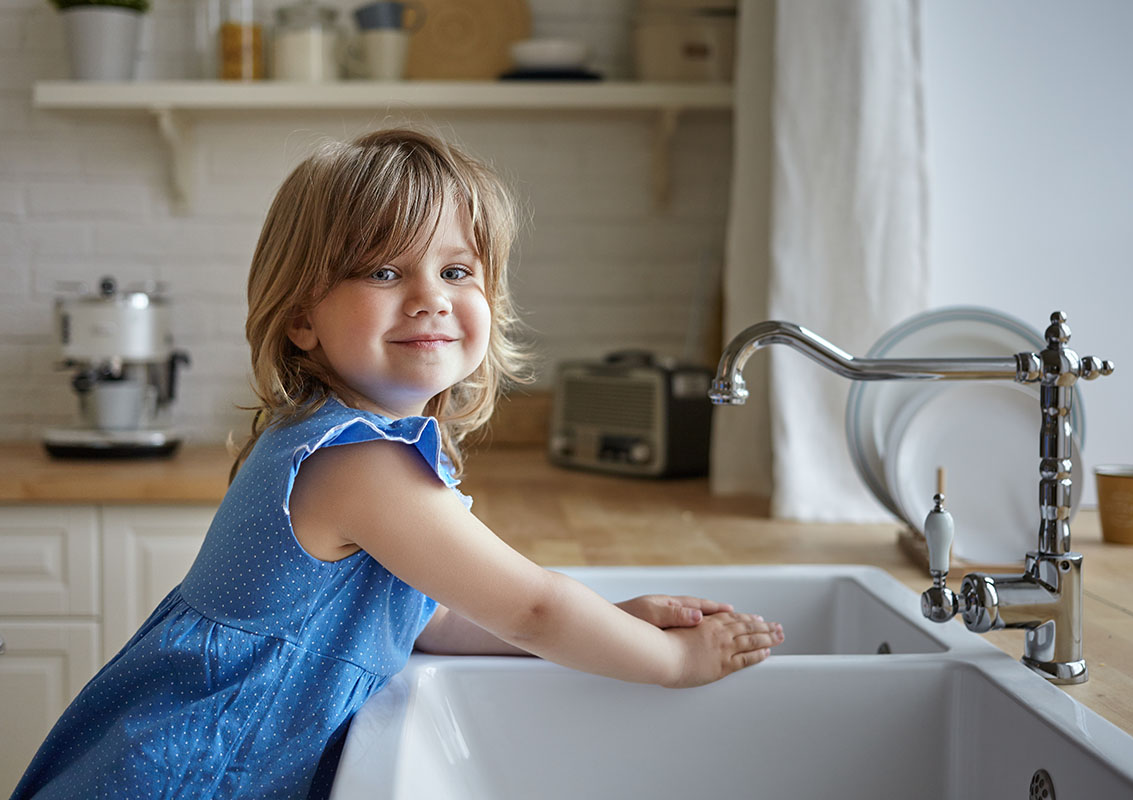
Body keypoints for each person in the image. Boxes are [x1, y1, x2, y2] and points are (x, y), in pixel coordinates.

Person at [10, 128, 784, 800]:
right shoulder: (358, 463)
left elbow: (433, 617)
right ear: (302, 319)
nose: (429, 298)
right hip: (182, 778)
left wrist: (616, 623)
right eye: (384, 272)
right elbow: (533, 608)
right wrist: (674, 663)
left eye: (456, 272)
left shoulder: (346, 440)